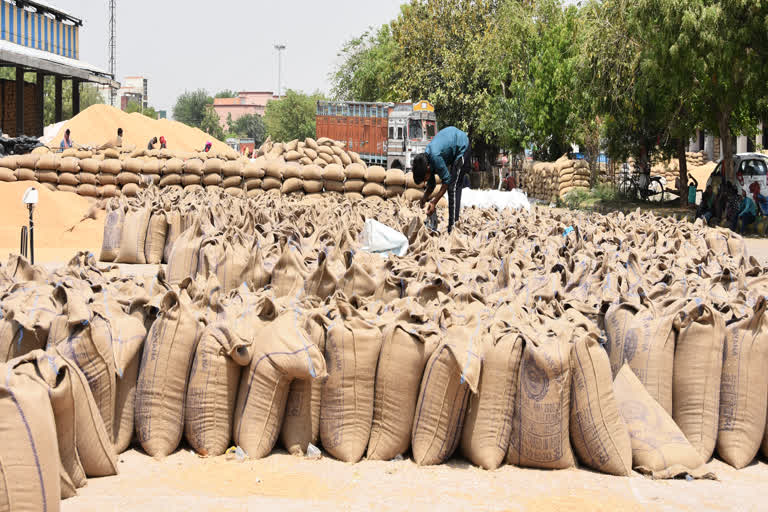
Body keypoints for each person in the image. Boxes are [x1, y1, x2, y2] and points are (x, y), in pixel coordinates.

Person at [412, 126, 471, 234]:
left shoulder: (435, 157)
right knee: (452, 186)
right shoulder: (427, 160)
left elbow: (446, 181)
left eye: (424, 179)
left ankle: (453, 228)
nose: (425, 182)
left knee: (453, 187)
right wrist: (424, 198)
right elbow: (432, 185)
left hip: (462, 147)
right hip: (453, 148)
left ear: (428, 169)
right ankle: (453, 225)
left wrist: (434, 202)